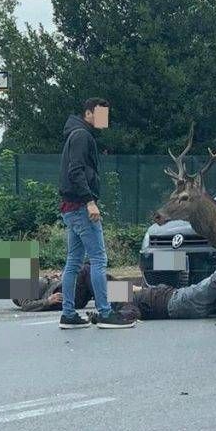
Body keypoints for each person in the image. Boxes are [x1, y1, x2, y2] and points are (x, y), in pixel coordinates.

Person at [58, 98, 136, 330]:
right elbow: (76, 171)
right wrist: (90, 201)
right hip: (81, 207)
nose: (104, 120)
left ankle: (68, 314)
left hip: (70, 207)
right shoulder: (82, 136)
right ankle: (105, 312)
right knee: (99, 260)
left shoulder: (76, 134)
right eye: (101, 114)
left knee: (73, 262)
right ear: (89, 113)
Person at [12, 263, 94, 312]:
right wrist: (48, 301)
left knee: (89, 265)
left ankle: (100, 300)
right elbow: (26, 305)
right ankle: (102, 305)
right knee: (85, 269)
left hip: (66, 292)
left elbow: (45, 286)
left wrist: (54, 278)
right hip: (60, 297)